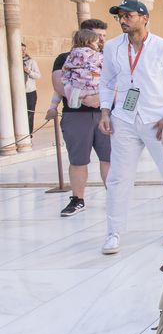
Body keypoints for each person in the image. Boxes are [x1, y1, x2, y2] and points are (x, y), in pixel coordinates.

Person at [99, 0, 163, 254]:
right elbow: (106, 82)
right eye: (120, 16)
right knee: (119, 177)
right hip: (125, 119)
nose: (123, 20)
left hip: (157, 120)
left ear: (144, 17)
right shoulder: (112, 48)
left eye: (128, 15)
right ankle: (114, 231)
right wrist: (106, 110)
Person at [46, 19, 111, 217]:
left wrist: (99, 99)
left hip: (105, 114)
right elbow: (59, 85)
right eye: (98, 35)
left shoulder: (107, 57)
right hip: (76, 115)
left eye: (104, 36)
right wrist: (86, 99)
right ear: (85, 35)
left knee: (110, 158)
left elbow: (119, 83)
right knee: (78, 160)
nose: (101, 39)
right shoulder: (65, 58)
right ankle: (78, 199)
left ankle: (115, 197)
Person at [61, 30, 103, 108]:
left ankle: (75, 100)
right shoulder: (97, 55)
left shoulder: (71, 55)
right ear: (89, 42)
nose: (98, 45)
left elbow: (65, 68)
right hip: (93, 83)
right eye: (96, 43)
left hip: (75, 83)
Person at [21, 42, 40, 136]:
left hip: (30, 91)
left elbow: (38, 75)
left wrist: (28, 71)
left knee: (30, 113)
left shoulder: (31, 61)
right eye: (21, 50)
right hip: (18, 93)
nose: (23, 52)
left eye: (24, 50)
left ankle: (29, 134)